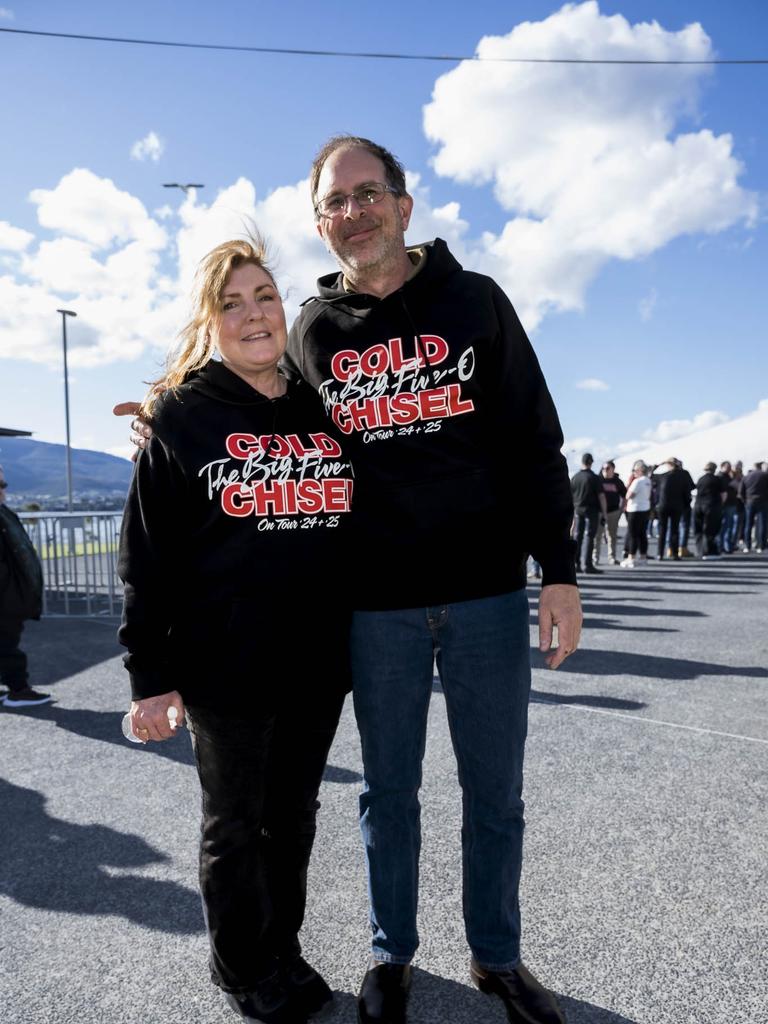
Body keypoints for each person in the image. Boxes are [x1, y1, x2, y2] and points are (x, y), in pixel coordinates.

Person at [120, 135, 580, 1024]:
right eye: (336, 202)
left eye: (368, 195)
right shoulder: (310, 332)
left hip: (478, 597)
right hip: (367, 614)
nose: (354, 212)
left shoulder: (475, 303)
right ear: (322, 224)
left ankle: (497, 957)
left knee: (487, 795)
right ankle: (384, 957)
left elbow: (534, 440)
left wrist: (558, 571)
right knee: (377, 798)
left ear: (402, 205)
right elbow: (217, 429)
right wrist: (161, 424)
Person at [118, 238, 355, 1024]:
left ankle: (281, 949)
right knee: (236, 825)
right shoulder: (184, 415)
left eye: (265, 297)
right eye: (233, 303)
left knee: (293, 819)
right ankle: (243, 969)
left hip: (317, 665)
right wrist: (149, 677)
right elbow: (145, 560)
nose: (254, 314)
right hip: (227, 668)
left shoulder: (318, 406)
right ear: (210, 321)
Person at [0, 465, 51, 708]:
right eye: (0, 485)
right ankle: (18, 690)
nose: (3, 490)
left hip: (13, 595)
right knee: (7, 645)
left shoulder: (4, 512)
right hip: (7, 598)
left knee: (6, 643)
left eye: (3, 484)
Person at [570, 453, 607, 574]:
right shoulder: (594, 478)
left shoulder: (575, 477)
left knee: (577, 537)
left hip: (577, 509)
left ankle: (576, 564)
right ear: (591, 462)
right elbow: (601, 496)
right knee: (590, 537)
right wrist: (604, 514)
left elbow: (570, 496)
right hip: (591, 510)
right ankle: (587, 564)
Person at [655, 458, 692, 561]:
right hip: (677, 506)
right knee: (675, 530)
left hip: (663, 506)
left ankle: (660, 554)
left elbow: (650, 476)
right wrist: (686, 503)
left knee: (663, 530)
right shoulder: (684, 475)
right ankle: (675, 553)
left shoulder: (663, 476)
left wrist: (657, 465)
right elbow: (689, 488)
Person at [621, 461, 652, 568]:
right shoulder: (648, 480)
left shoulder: (637, 481)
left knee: (633, 534)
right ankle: (643, 557)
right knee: (642, 534)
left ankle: (631, 557)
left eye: (634, 470)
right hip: (645, 509)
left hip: (635, 510)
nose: (633, 472)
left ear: (639, 470)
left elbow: (629, 495)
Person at [693, 462, 727, 559]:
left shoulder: (700, 479)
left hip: (698, 505)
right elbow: (723, 494)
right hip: (711, 506)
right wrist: (721, 505)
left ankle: (700, 551)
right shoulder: (717, 479)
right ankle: (710, 552)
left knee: (699, 530)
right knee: (710, 529)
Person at [595, 460, 626, 565]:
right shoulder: (598, 480)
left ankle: (611, 557)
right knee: (597, 536)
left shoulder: (617, 481)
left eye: (607, 468)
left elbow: (625, 496)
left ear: (613, 469)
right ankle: (595, 557)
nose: (605, 470)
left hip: (613, 512)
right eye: (603, 468)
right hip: (599, 512)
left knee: (612, 535)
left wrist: (621, 510)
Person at [740, 461, 768, 552]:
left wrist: (745, 501)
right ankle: (760, 546)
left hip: (749, 501)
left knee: (748, 524)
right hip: (762, 501)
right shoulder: (765, 475)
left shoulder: (746, 476)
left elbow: (741, 491)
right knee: (762, 524)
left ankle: (747, 546)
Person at [716, 461, 738, 554]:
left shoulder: (727, 476)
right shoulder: (720, 477)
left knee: (728, 526)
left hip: (730, 504)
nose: (729, 469)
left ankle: (726, 546)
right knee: (725, 526)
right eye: (727, 467)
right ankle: (722, 546)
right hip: (726, 505)